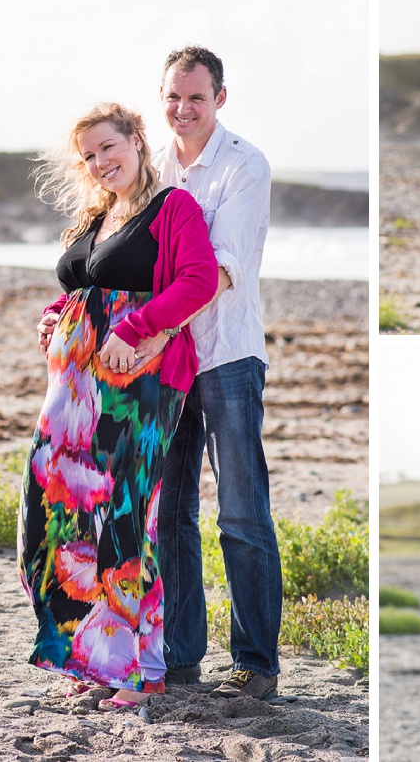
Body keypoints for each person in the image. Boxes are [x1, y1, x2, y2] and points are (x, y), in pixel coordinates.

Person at [18, 103, 220, 708]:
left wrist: (134, 330)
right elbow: (83, 289)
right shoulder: (98, 215)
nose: (101, 162)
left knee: (130, 515)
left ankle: (141, 669)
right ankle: (92, 653)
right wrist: (57, 318)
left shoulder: (172, 207)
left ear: (137, 141)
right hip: (73, 387)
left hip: (142, 381)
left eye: (110, 147)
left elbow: (198, 280)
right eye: (89, 156)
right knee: (55, 510)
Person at [138, 45, 282, 699]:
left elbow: (220, 271)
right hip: (165, 365)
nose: (182, 108)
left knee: (242, 514)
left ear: (219, 98)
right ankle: (180, 654)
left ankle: (256, 665)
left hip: (225, 355)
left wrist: (156, 324)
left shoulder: (243, 165)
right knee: (170, 513)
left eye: (196, 97)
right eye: (173, 95)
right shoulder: (153, 167)